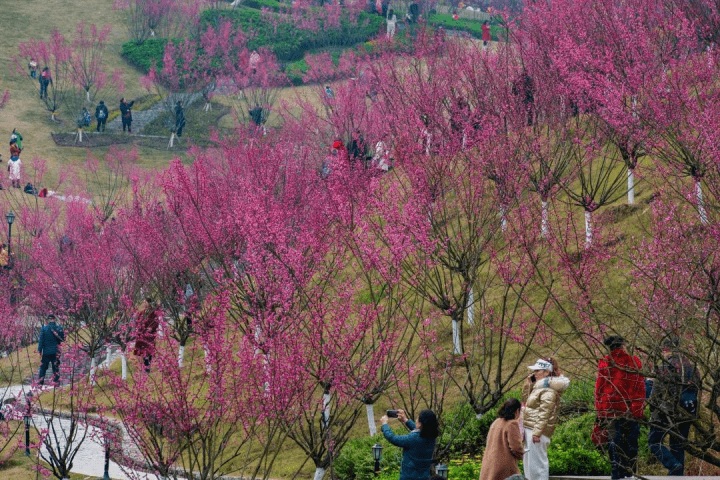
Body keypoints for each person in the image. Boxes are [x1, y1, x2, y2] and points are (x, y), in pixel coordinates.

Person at [647, 336, 700, 476]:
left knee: (654, 442)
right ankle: (676, 475)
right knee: (678, 446)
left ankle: (672, 464)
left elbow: (656, 392)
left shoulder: (665, 366)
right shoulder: (691, 366)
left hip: (667, 411)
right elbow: (697, 387)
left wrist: (652, 406)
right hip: (687, 411)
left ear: (666, 349)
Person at [595, 335, 645, 480]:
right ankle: (629, 473)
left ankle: (616, 473)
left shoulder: (605, 362)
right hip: (629, 408)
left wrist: (600, 409)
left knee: (614, 441)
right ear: (623, 345)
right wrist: (637, 409)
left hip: (610, 409)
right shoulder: (633, 361)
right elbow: (639, 386)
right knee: (631, 442)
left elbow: (600, 388)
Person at [522, 358, 570, 480]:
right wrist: (528, 385)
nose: (534, 373)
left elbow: (545, 412)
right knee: (530, 466)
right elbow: (526, 401)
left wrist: (537, 432)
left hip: (536, 431)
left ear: (547, 372)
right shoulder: (539, 387)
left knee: (537, 467)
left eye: (537, 370)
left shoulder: (548, 389)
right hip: (531, 428)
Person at [380, 409, 439, 480]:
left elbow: (393, 438)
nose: (416, 420)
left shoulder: (413, 439)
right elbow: (421, 431)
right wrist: (405, 420)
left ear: (420, 423)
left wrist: (385, 425)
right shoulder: (432, 437)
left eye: (418, 419)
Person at [479, 398, 524, 480]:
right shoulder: (512, 424)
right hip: (504, 469)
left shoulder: (496, 422)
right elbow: (516, 447)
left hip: (489, 466)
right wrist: (523, 455)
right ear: (517, 411)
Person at [133, 298, 160, 372]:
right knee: (143, 350)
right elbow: (137, 322)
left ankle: (148, 366)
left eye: (146, 302)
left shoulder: (154, 313)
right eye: (144, 302)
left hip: (150, 335)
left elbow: (156, 322)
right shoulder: (142, 313)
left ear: (149, 303)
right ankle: (146, 367)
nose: (144, 303)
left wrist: (152, 328)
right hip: (142, 333)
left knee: (149, 350)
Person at [38, 314, 65, 386]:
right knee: (55, 368)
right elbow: (62, 338)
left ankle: (40, 383)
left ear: (48, 320)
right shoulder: (58, 328)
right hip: (56, 351)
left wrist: (39, 350)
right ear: (54, 319)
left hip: (46, 352)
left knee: (43, 368)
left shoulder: (44, 328)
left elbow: (41, 341)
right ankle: (56, 383)